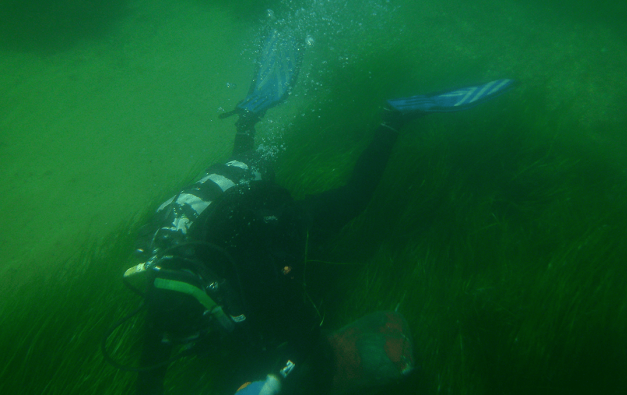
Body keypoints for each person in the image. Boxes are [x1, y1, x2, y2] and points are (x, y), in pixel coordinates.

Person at [105, 27, 514, 395]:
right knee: (249, 169)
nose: (191, 345)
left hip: (265, 219)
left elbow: (306, 340)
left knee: (353, 198)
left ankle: (395, 117)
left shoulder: (255, 280)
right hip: (227, 195)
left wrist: (275, 379)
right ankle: (247, 118)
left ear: (215, 304)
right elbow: (150, 371)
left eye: (199, 335)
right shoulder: (165, 290)